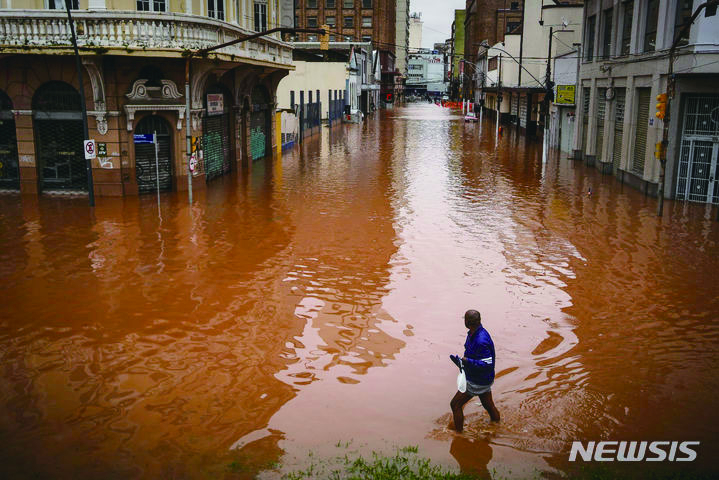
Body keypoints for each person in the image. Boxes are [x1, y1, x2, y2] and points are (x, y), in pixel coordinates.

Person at [449, 310, 500, 432]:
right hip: (482, 377)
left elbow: (487, 364)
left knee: (455, 404)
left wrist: (468, 361)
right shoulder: (473, 333)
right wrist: (462, 363)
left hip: (478, 380)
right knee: (488, 404)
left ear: (467, 322)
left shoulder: (481, 340)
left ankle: (459, 435)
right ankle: (497, 425)